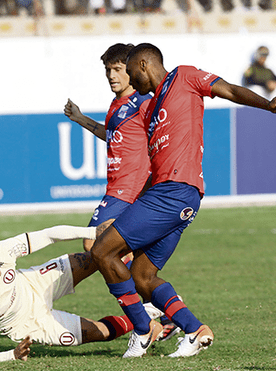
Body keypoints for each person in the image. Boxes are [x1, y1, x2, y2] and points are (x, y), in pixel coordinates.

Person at [89, 42, 276, 359]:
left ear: (142, 66)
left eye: (129, 73)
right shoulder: (148, 109)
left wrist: (267, 105)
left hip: (173, 192)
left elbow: (231, 91)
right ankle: (194, 330)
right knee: (142, 277)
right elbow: (126, 142)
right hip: (175, 197)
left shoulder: (184, 76)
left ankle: (142, 331)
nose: (130, 80)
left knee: (102, 251)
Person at [64, 43, 180, 343]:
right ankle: (165, 313)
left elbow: (160, 132)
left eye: (117, 70)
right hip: (117, 187)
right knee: (122, 257)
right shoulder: (117, 104)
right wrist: (80, 118)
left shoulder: (143, 102)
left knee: (95, 244)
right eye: (108, 71)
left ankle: (147, 318)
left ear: (131, 70)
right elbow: (112, 134)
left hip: (130, 189)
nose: (112, 76)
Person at [0, 222, 167, 362]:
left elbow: (48, 235)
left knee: (98, 256)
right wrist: (12, 355)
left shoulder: (0, 252)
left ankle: (143, 265)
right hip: (29, 324)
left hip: (36, 282)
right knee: (101, 333)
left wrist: (93, 232)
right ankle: (147, 317)